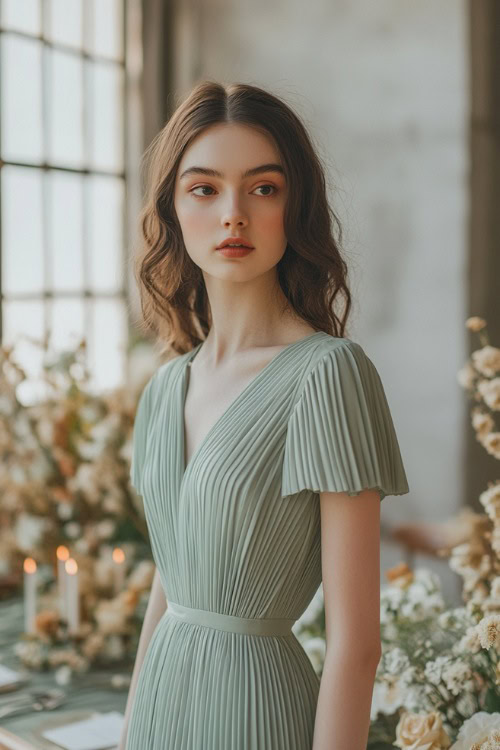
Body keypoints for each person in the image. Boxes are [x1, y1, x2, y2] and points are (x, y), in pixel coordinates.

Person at [119, 80, 410, 750]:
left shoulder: (329, 375)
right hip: (161, 705)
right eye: (204, 188)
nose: (233, 215)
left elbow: (356, 646)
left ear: (295, 205)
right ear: (172, 208)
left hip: (258, 713)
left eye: (263, 188)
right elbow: (171, 585)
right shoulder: (165, 388)